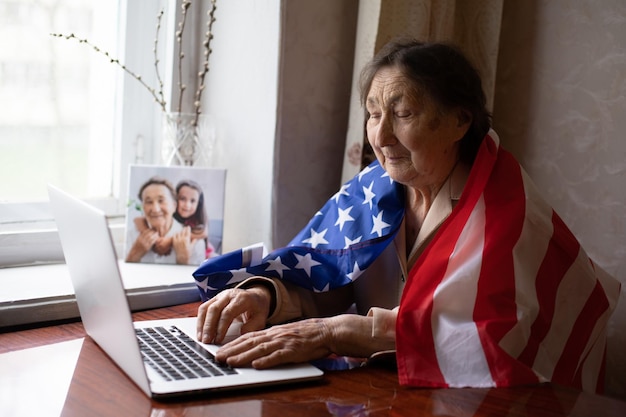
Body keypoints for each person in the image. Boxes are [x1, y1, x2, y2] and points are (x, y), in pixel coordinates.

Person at [194, 39, 620, 393]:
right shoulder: (374, 186)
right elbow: (331, 277)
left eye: (402, 114)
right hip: (388, 388)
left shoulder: (505, 211)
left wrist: (335, 333)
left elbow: (481, 341)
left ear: (459, 121)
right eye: (374, 114)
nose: (380, 137)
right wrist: (268, 298)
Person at [125, 176, 206, 265]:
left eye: (161, 200)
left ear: (174, 206)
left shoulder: (194, 243)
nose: (155, 209)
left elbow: (198, 278)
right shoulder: (131, 235)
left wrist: (183, 260)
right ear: (143, 207)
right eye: (149, 202)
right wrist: (134, 255)